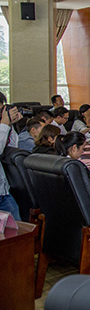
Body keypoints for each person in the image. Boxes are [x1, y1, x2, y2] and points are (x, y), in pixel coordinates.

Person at [0, 92, 24, 221]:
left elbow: (12, 147)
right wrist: (4, 124)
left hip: (3, 191)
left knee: (16, 228)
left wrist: (9, 125)